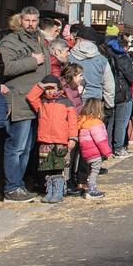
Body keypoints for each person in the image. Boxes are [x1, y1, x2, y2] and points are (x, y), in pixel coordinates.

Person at [0, 8, 47, 201]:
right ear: (21, 20)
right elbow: (7, 67)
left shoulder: (40, 39)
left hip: (36, 100)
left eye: (34, 20)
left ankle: (20, 184)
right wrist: (32, 61)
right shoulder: (11, 41)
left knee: (27, 148)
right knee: (16, 146)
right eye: (27, 20)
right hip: (19, 99)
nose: (31, 24)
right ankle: (11, 187)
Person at [28, 76, 77, 204]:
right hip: (45, 141)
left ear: (59, 88)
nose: (49, 91)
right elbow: (31, 97)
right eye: (47, 89)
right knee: (46, 167)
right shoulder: (41, 103)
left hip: (60, 140)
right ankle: (49, 190)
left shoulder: (66, 102)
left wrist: (72, 137)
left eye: (52, 88)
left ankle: (58, 191)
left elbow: (72, 122)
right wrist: (41, 86)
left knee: (58, 167)